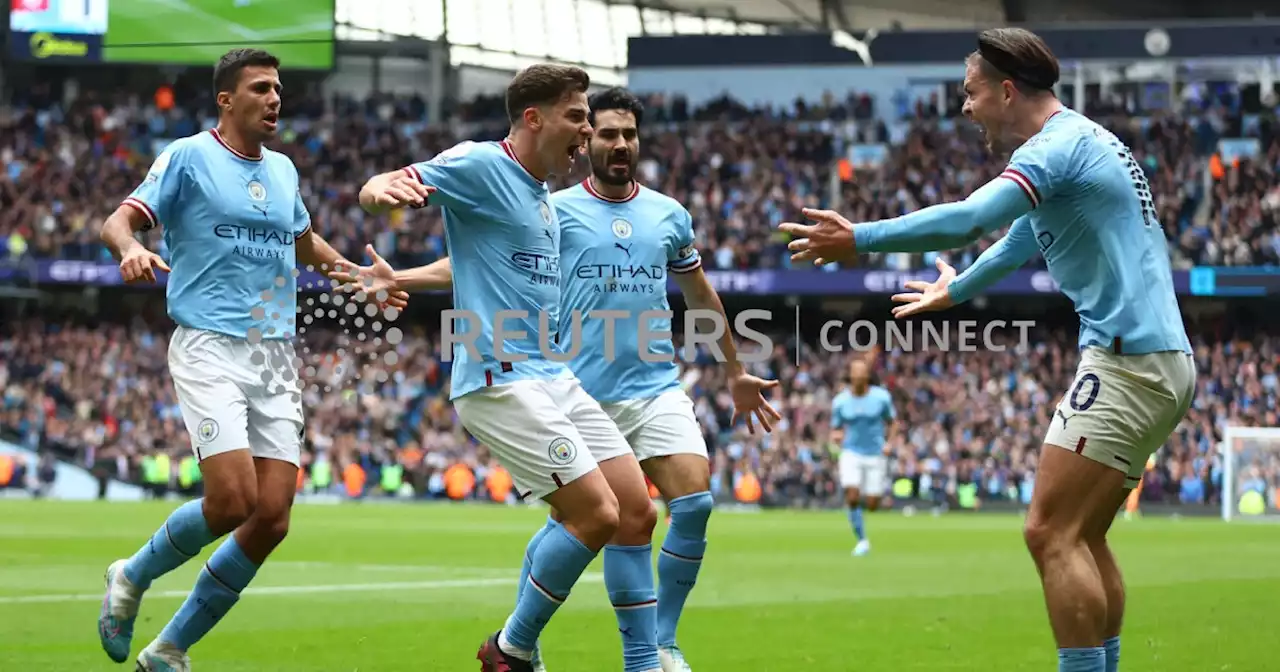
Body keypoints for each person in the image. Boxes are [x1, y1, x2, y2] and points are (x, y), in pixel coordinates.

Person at [779, 27, 1195, 672]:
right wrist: (958, 292)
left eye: (971, 93)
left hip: (1127, 361)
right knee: (1082, 534)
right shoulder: (1082, 141)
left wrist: (860, 238)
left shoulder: (1055, 148)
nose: (965, 107)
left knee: (1048, 532)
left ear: (1006, 90)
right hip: (1159, 359)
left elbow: (972, 218)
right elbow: (1017, 239)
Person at [344, 87, 780, 672]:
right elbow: (432, 224)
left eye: (627, 133)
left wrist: (734, 371)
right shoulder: (542, 194)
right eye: (594, 127)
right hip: (547, 376)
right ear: (567, 129)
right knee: (595, 516)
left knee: (656, 509)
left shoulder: (597, 206)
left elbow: (700, 293)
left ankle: (654, 647)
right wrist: (387, 221)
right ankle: (519, 647)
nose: (613, 141)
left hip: (630, 383)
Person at [95, 49, 403, 672]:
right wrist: (129, 248)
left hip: (273, 352)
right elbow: (119, 220)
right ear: (227, 100)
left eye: (278, 89)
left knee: (272, 519)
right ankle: (131, 575)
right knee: (231, 501)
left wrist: (353, 276)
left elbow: (303, 241)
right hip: (209, 343)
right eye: (260, 88)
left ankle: (169, 647)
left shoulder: (285, 170)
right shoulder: (188, 157)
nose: (274, 98)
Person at [354, 63, 656, 672]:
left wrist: (402, 277)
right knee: (595, 512)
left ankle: (527, 648)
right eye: (578, 117)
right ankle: (512, 650)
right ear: (533, 118)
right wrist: (379, 190)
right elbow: (387, 182)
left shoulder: (542, 196)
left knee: (635, 508)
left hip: (553, 374)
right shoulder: (480, 164)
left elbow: (466, 260)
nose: (587, 131)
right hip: (498, 378)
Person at [830, 357, 895, 556]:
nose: (857, 376)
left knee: (873, 502)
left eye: (861, 371)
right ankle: (862, 540)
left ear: (867, 375)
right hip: (851, 453)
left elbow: (892, 422)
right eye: (854, 372)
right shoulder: (840, 401)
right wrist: (837, 436)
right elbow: (836, 428)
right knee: (852, 494)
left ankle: (862, 512)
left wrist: (889, 443)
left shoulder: (881, 397)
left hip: (875, 454)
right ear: (850, 375)